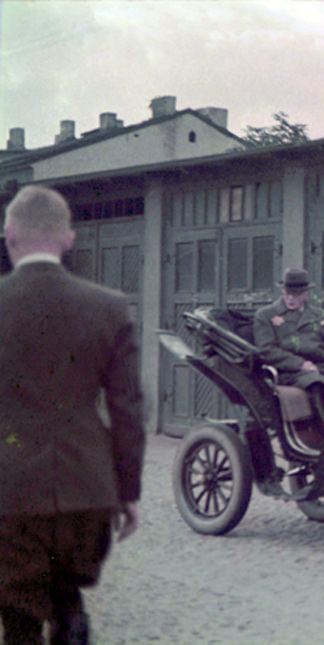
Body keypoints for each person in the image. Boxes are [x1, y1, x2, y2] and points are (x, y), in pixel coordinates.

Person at [0, 186, 145, 645]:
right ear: (69, 240)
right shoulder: (109, 307)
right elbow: (127, 408)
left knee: (18, 617)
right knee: (67, 599)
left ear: (9, 235)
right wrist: (128, 491)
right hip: (87, 491)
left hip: (10, 494)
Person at [253, 268, 324, 494]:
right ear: (283, 291)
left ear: (306, 294)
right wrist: (299, 364)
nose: (291, 298)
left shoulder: (318, 315)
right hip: (290, 370)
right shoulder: (267, 315)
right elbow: (266, 351)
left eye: (297, 293)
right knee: (319, 386)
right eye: (288, 293)